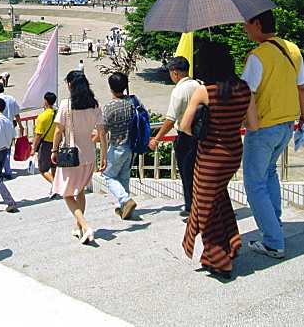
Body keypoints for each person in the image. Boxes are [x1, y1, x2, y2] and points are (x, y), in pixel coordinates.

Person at [180, 40, 259, 279]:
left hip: (210, 157)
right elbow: (253, 124)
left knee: (205, 209)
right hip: (234, 153)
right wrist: (232, 123)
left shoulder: (204, 91)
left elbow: (184, 126)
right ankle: (231, 244)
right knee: (218, 200)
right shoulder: (244, 88)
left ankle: (220, 260)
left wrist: (207, 132)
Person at [240, 9, 304, 260]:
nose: (244, 28)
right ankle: (275, 225)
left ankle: (272, 241)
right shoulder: (292, 49)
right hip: (287, 125)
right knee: (269, 174)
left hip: (263, 127)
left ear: (257, 23)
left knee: (254, 183)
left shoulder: (258, 56)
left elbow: (244, 95)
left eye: (246, 23)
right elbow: (301, 89)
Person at [51, 71, 107, 244]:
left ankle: (85, 226)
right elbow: (101, 132)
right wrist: (104, 156)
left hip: (71, 155)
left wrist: (54, 150)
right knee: (80, 190)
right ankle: (78, 227)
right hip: (89, 154)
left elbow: (59, 130)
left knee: (66, 193)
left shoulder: (66, 104)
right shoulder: (95, 105)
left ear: (70, 85)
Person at [148, 56, 200, 216]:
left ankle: (191, 207)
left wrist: (157, 139)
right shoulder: (198, 84)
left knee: (186, 173)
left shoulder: (179, 90)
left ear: (175, 73)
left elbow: (170, 119)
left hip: (186, 136)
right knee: (198, 173)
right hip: (200, 134)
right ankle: (198, 205)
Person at [101, 72, 137, 220]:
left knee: (109, 177)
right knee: (124, 178)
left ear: (110, 87)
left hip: (117, 146)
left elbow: (103, 130)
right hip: (131, 146)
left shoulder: (109, 107)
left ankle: (125, 200)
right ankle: (125, 209)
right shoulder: (133, 102)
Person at [0, 82, 21, 178]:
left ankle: (3, 169)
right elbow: (17, 114)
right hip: (9, 125)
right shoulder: (11, 99)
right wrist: (20, 125)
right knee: (7, 147)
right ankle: (7, 169)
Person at [32, 92, 58, 189]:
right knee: (53, 166)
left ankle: (56, 186)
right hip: (56, 143)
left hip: (45, 144)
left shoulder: (42, 117)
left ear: (45, 101)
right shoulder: (57, 114)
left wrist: (33, 148)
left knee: (43, 169)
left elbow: (38, 134)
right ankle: (55, 186)